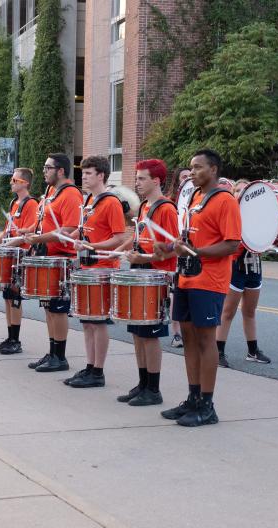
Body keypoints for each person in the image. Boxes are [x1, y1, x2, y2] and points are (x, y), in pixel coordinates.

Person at [159, 149, 241, 427]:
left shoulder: (225, 201)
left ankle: (207, 405)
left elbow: (232, 244)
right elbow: (188, 240)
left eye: (198, 168)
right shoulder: (194, 198)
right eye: (191, 168)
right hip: (187, 278)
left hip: (209, 280)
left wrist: (196, 253)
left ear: (213, 170)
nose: (192, 172)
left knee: (207, 340)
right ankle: (193, 397)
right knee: (190, 339)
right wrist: (169, 247)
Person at [115, 159, 178, 405]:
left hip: (156, 274)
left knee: (150, 334)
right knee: (137, 332)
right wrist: (121, 250)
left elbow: (174, 249)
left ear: (156, 180)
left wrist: (145, 256)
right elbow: (138, 237)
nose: (137, 183)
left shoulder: (166, 209)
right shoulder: (144, 207)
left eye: (142, 179)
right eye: (137, 178)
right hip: (139, 271)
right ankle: (142, 383)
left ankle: (154, 388)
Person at [64, 156, 127, 388]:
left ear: (101, 175)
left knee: (98, 321)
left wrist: (92, 246)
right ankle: (90, 366)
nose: (84, 177)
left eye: (89, 173)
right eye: (84, 173)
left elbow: (120, 238)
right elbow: (86, 231)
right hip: (88, 266)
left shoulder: (111, 202)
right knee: (87, 321)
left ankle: (98, 371)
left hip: (103, 268)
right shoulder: (89, 200)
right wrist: (73, 237)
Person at [24, 153, 82, 372]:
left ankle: (60, 356)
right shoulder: (50, 192)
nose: (44, 171)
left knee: (58, 309)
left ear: (60, 171)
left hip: (61, 259)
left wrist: (39, 238)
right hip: (46, 256)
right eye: (44, 167)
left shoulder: (70, 194)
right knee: (48, 307)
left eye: (48, 167)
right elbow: (42, 222)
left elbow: (67, 230)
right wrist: (28, 233)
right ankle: (52, 352)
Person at [215, 179, 271, 367]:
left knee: (250, 310)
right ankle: (218, 351)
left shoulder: (258, 216)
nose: (241, 193)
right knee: (228, 311)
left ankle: (253, 350)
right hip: (235, 265)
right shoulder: (230, 212)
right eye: (237, 190)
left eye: (245, 189)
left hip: (253, 264)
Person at [0, 168, 38, 355]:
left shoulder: (31, 204)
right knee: (7, 296)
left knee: (15, 296)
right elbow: (7, 231)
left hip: (20, 255)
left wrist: (8, 244)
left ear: (25, 183)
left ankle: (16, 340)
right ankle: (10, 337)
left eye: (14, 180)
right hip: (9, 253)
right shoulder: (14, 203)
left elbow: (28, 233)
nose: (11, 182)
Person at [165, 167, 190, 349]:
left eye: (190, 176)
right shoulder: (169, 203)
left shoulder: (198, 200)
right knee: (175, 295)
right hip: (175, 252)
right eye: (184, 176)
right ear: (177, 180)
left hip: (191, 251)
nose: (188, 179)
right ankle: (176, 333)